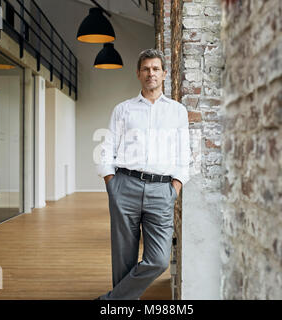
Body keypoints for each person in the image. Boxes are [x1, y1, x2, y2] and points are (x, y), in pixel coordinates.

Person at [95, 48, 190, 300]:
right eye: (146, 69)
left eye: (155, 69)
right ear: (138, 74)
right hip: (124, 185)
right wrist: (111, 184)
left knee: (158, 260)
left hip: (162, 190)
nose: (151, 73)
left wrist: (175, 187)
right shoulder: (123, 109)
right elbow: (106, 148)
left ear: (164, 74)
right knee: (123, 257)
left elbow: (185, 153)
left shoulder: (177, 111)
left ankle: (111, 301)